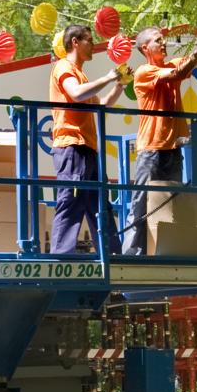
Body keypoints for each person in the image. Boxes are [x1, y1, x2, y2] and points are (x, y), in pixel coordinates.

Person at [120, 26, 197, 255]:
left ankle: (165, 249)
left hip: (173, 148)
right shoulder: (145, 71)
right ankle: (132, 253)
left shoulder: (172, 65)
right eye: (157, 40)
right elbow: (180, 71)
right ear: (145, 48)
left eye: (163, 40)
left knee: (170, 202)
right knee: (141, 203)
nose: (163, 43)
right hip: (151, 148)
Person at [48, 25, 126, 254]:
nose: (93, 45)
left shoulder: (80, 74)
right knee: (71, 200)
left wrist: (118, 85)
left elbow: (100, 104)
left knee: (99, 203)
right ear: (74, 42)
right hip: (72, 145)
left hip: (87, 147)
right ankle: (61, 257)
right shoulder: (63, 67)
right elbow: (76, 93)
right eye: (89, 40)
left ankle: (111, 254)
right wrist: (108, 77)